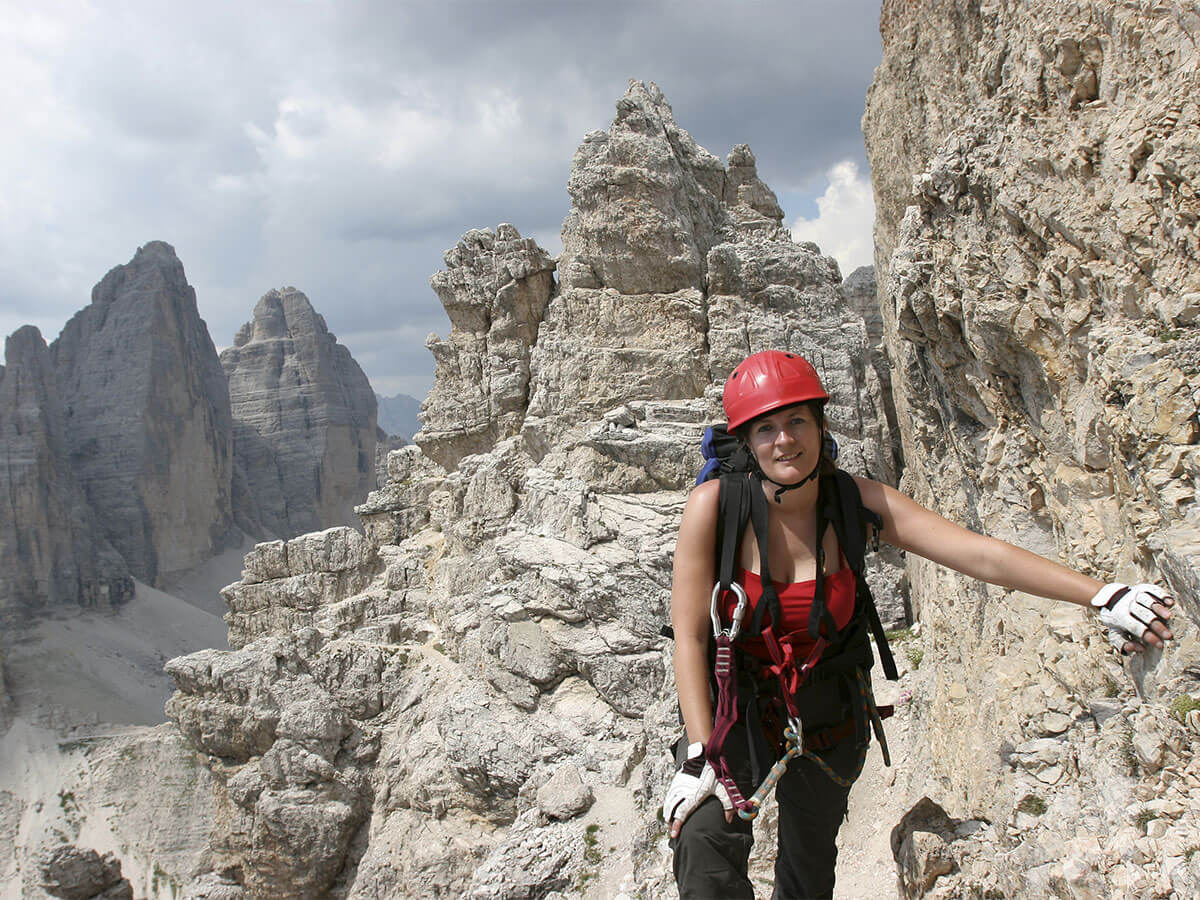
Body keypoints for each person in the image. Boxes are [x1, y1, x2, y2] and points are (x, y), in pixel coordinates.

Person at [663, 350, 1175, 899]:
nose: (784, 440)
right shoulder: (715, 507)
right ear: (747, 442)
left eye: (796, 421)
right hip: (736, 709)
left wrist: (1102, 593)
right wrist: (699, 753)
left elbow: (981, 556)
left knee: (807, 872)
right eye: (765, 428)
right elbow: (691, 637)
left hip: (829, 712)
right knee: (702, 839)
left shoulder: (855, 501)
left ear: (820, 424)